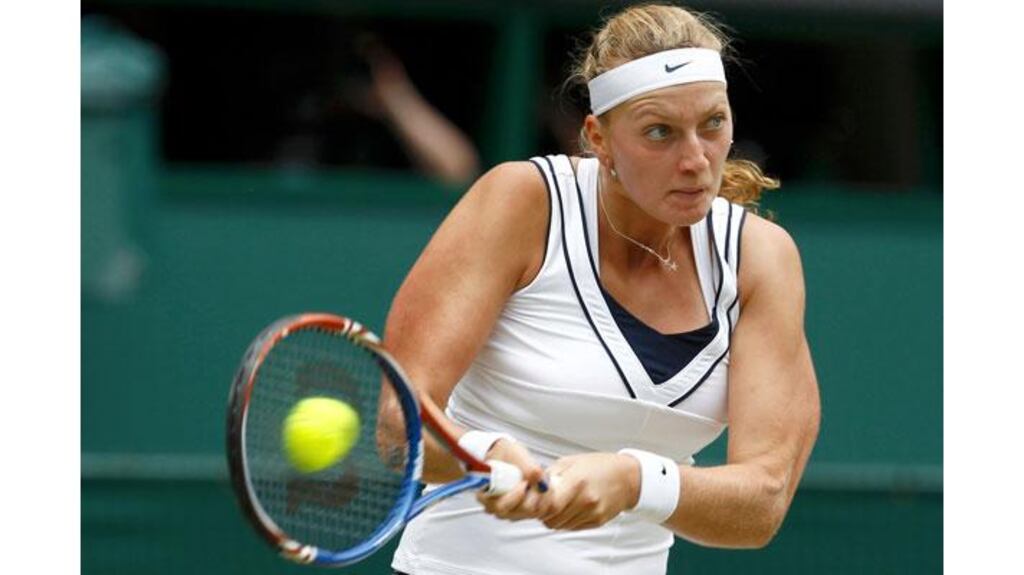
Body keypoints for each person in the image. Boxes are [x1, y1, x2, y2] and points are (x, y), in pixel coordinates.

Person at [379, 4, 820, 574]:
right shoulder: (522, 203)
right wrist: (485, 456)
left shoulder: (761, 258)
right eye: (659, 132)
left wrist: (637, 480)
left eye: (712, 124)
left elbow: (762, 503)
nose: (695, 160)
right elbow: (398, 422)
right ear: (598, 138)